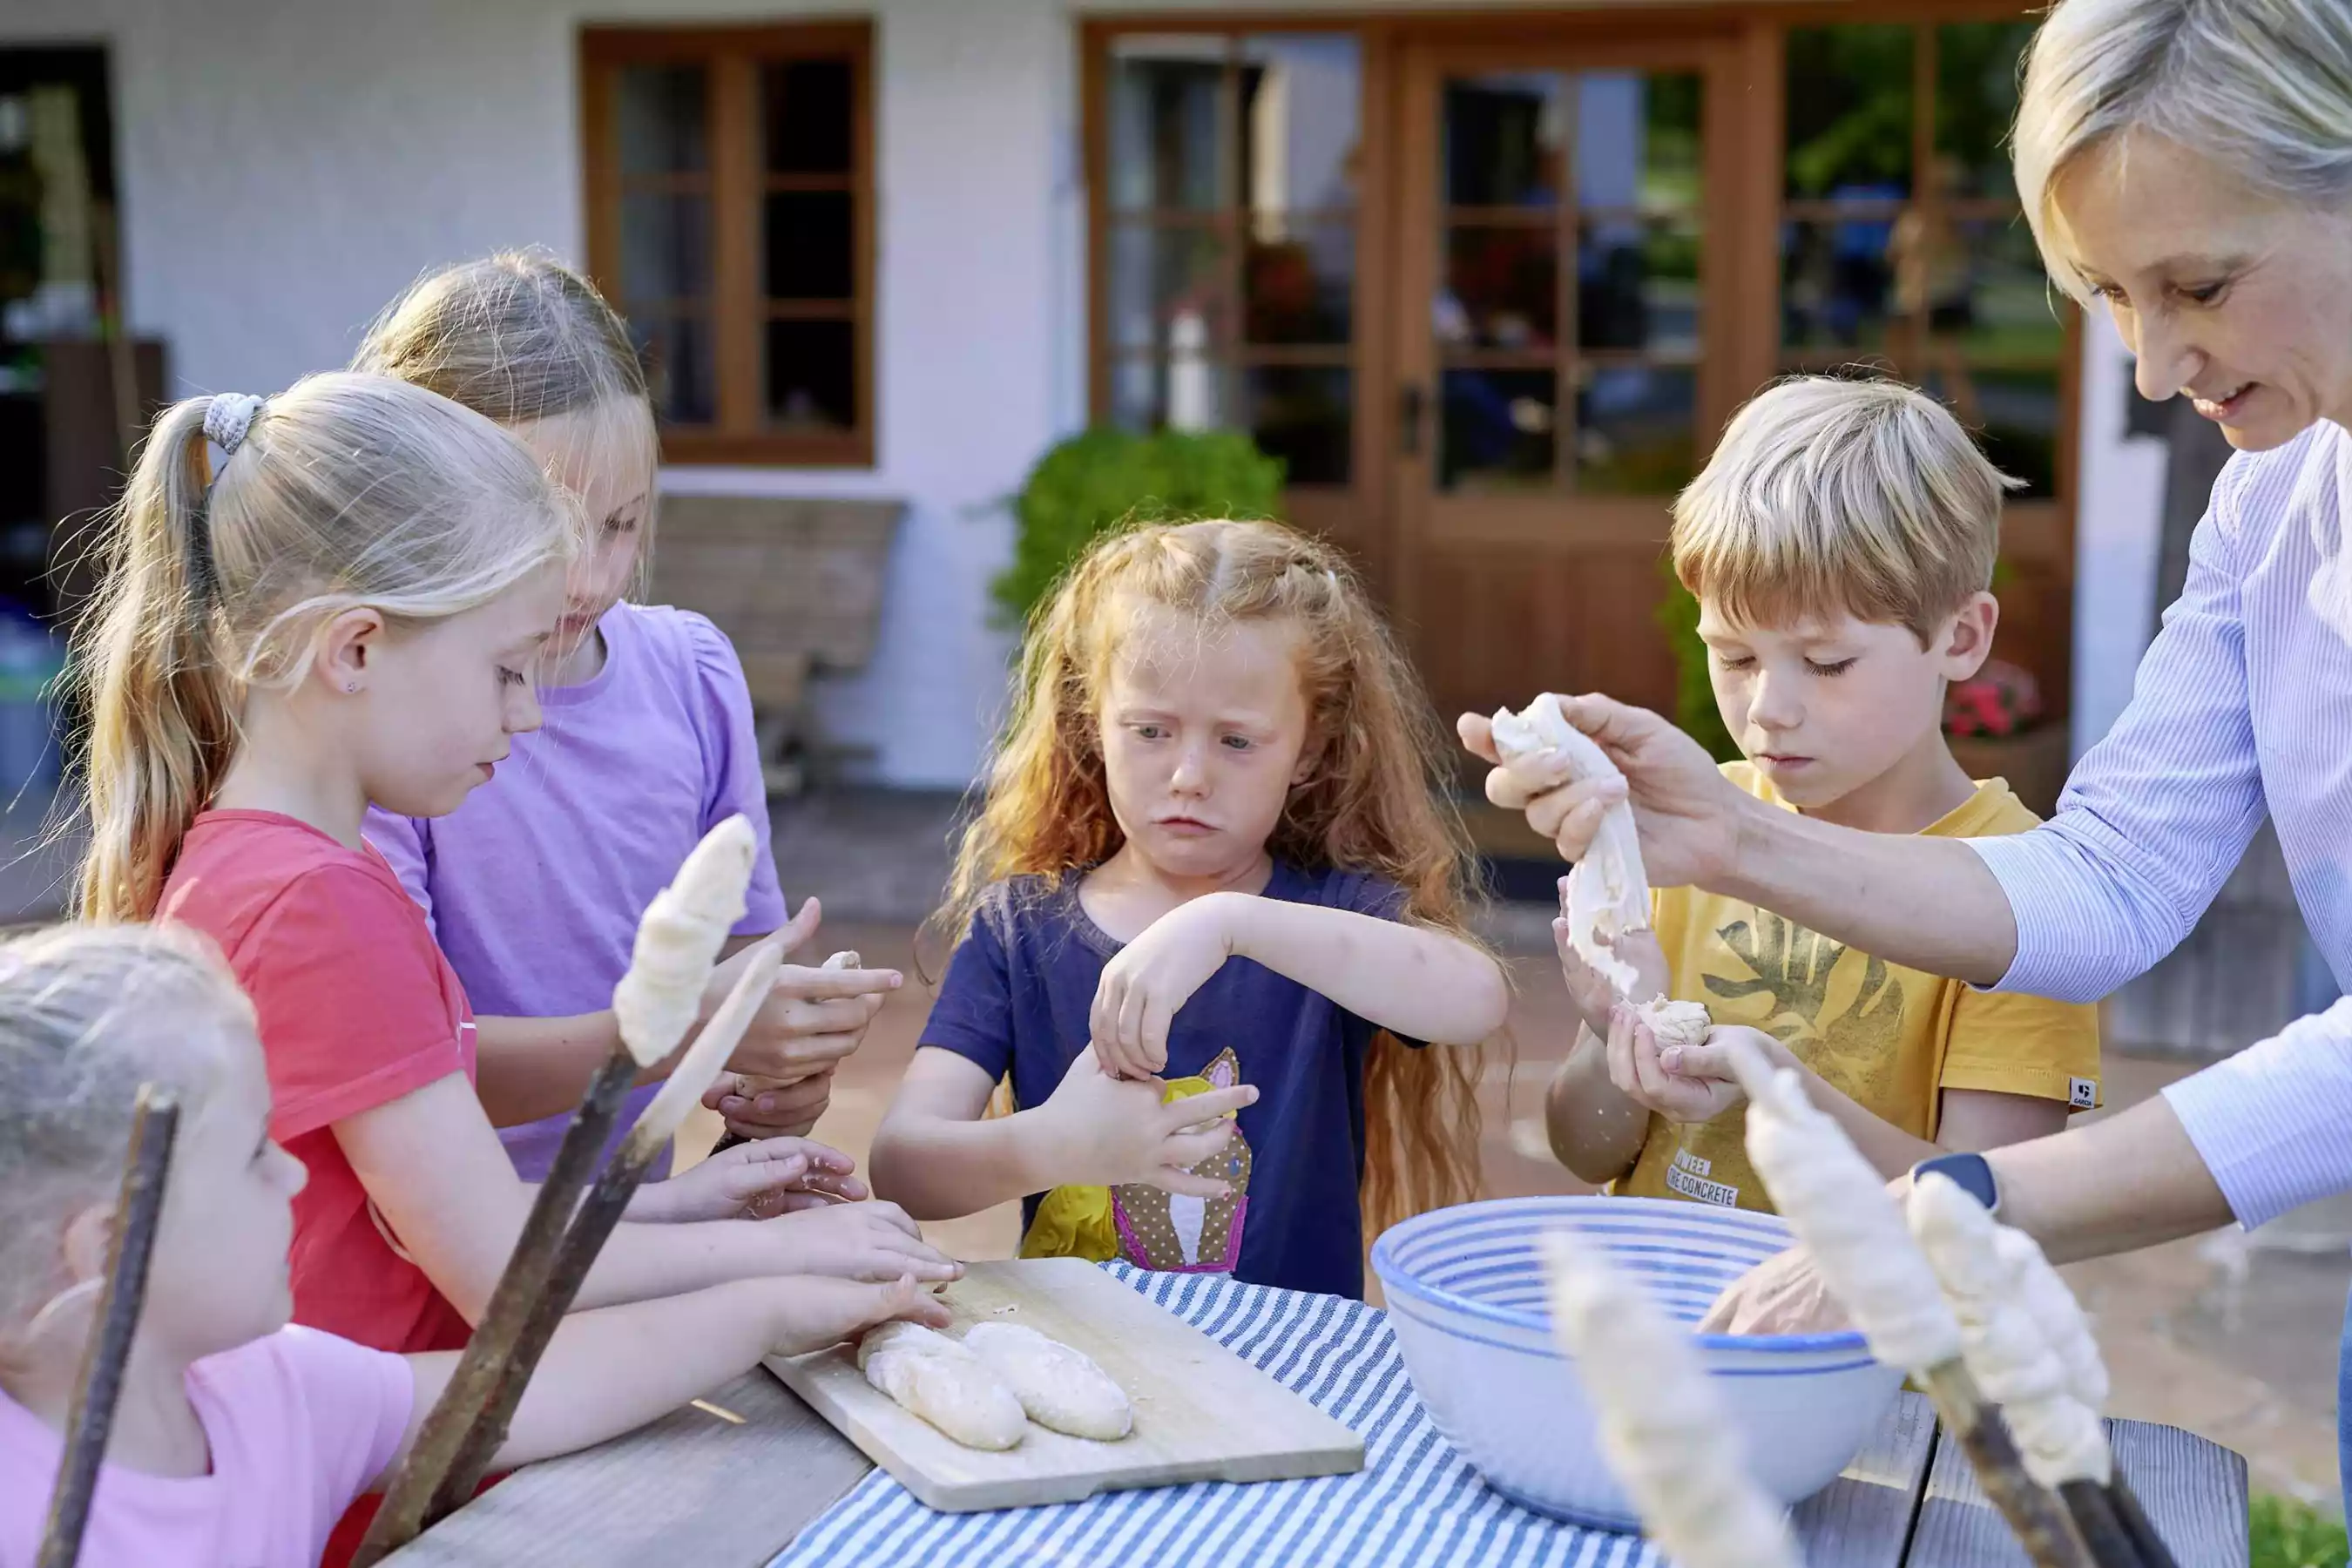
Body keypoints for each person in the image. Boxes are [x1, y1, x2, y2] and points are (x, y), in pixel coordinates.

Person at [1457, 0, 2352, 1494]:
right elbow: (2111, 886)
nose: (2151, 366)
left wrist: (1950, 1206)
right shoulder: (2270, 509)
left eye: (2197, 282)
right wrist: (1722, 836)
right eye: (2113, 297)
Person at [69, 375, 956, 1558]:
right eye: (503, 671)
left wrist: (695, 1201)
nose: (530, 717)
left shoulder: (267, 867)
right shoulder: (317, 903)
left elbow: (428, 1222)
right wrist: (784, 1273)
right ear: (356, 649)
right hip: (388, 1509)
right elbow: (506, 1276)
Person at [0, 922, 947, 1568]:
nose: (294, 1176)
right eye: (256, 1154)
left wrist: (775, 1306)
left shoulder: (265, 1389)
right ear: (111, 1247)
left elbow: (517, 1387)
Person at [353, 252, 892, 1177]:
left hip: (620, 1227)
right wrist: (687, 1032)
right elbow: (408, 1065)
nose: (594, 579)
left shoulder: (691, 673)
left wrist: (778, 1073)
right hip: (422, 1250)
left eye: (623, 523)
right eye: (549, 531)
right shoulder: (371, 725)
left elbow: (741, 961)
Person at [868, 520, 1511, 1297]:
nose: (1188, 776)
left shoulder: (1333, 916)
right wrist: (1053, 1145)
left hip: (1282, 1379)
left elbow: (1474, 998)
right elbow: (902, 1168)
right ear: (1091, 725)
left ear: (1308, 750)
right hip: (1089, 1362)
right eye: (1150, 730)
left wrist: (1228, 924)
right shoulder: (1019, 929)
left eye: (1237, 742)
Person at [1543, 376, 2100, 1208]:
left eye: (1828, 663)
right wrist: (1611, 1029)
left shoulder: (2022, 898)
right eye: (1733, 657)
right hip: (1665, 1316)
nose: (1769, 708)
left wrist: (1782, 1091)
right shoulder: (1683, 837)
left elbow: (1991, 1213)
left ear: (1963, 636)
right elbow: (1585, 1152)